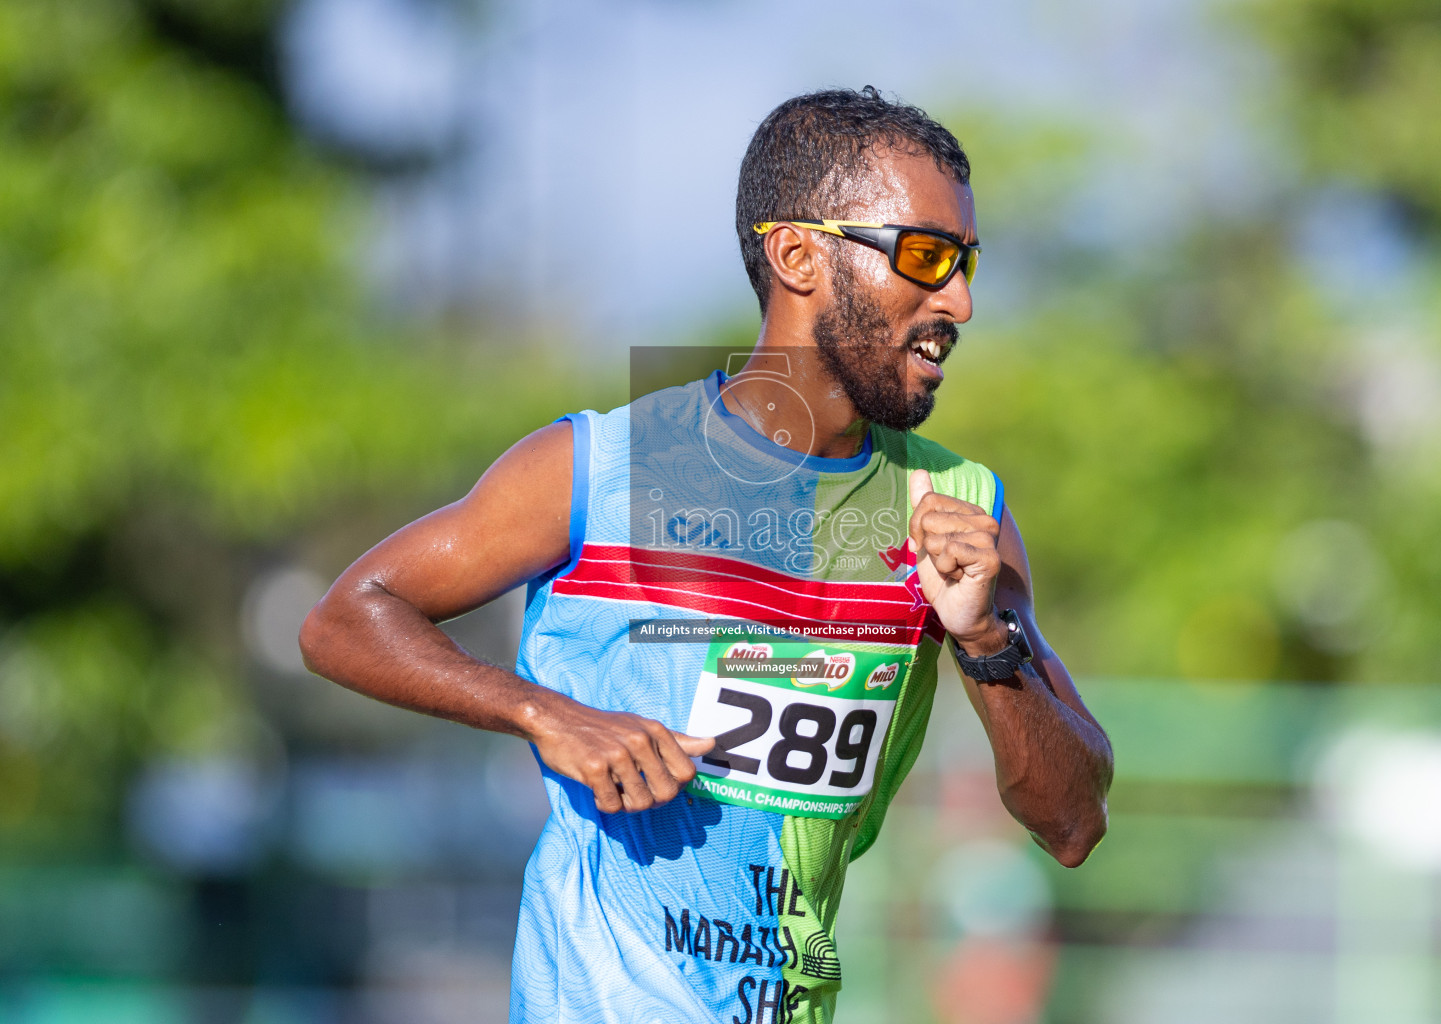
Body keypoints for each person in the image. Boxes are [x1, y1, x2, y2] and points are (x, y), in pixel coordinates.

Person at [300, 86, 1112, 1024]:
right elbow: (345, 619)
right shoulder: (598, 468)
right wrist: (547, 714)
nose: (959, 302)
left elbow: (1072, 822)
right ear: (798, 254)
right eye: (925, 258)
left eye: (967, 263)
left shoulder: (959, 508)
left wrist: (982, 641)